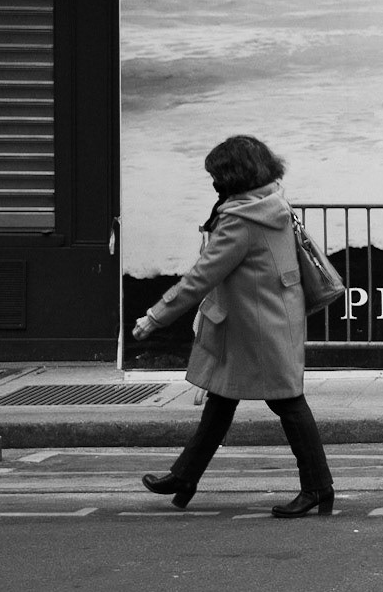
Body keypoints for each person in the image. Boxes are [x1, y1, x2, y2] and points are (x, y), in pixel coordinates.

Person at [131, 135, 334, 518]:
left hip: (259, 326)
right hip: (263, 318)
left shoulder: (241, 220)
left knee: (287, 402)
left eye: (216, 175)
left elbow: (202, 276)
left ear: (232, 177)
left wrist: (155, 316)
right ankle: (185, 476)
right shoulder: (271, 202)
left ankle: (318, 487)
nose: (213, 182)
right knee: (222, 398)